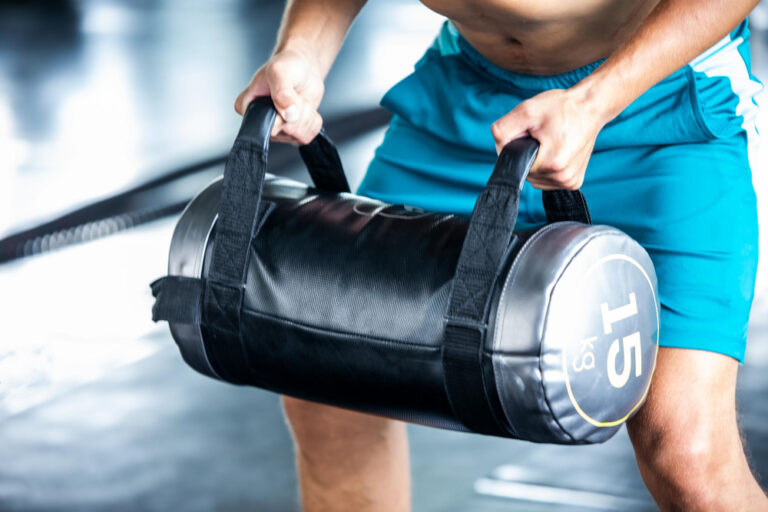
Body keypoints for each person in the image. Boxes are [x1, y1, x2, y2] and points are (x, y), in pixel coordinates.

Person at [235, 0, 767, 510]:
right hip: (467, 103)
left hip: (658, 104)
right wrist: (302, 52)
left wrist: (594, 101)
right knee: (325, 376)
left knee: (687, 457)